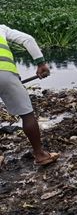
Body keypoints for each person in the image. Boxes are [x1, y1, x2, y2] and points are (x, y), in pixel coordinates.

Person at [0, 24, 59, 166]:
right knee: (27, 115)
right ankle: (40, 155)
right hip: (6, 74)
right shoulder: (1, 28)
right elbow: (28, 40)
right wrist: (41, 63)